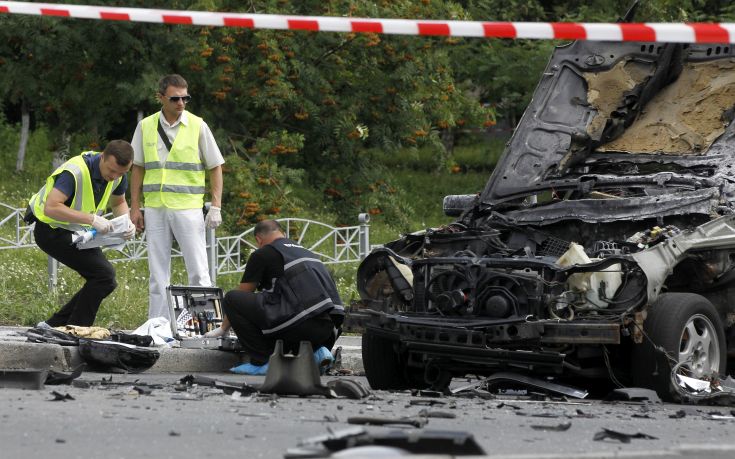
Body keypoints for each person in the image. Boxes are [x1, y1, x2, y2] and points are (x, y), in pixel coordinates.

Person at [130, 74, 225, 321]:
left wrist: (216, 206)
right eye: (175, 98)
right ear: (160, 97)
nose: (181, 103)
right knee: (157, 272)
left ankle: (206, 323)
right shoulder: (146, 126)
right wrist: (135, 207)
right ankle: (158, 324)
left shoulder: (198, 125)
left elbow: (215, 166)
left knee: (198, 270)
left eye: (185, 98)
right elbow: (137, 167)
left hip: (188, 208)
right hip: (155, 207)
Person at [205, 220, 345, 375]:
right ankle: (318, 352)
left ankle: (263, 361)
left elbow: (245, 293)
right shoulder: (307, 252)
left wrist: (223, 328)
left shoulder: (263, 253)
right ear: (283, 233)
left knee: (232, 299)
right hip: (327, 329)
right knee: (280, 310)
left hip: (298, 326)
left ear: (258, 239)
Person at [27, 140, 136, 328]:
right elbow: (51, 208)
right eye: (112, 170)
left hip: (76, 232)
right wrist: (91, 219)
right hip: (50, 231)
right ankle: (75, 329)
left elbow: (118, 202)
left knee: (104, 278)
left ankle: (54, 326)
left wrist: (126, 223)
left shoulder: (118, 175)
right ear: (102, 156)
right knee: (103, 275)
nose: (115, 176)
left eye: (121, 173)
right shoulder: (75, 172)